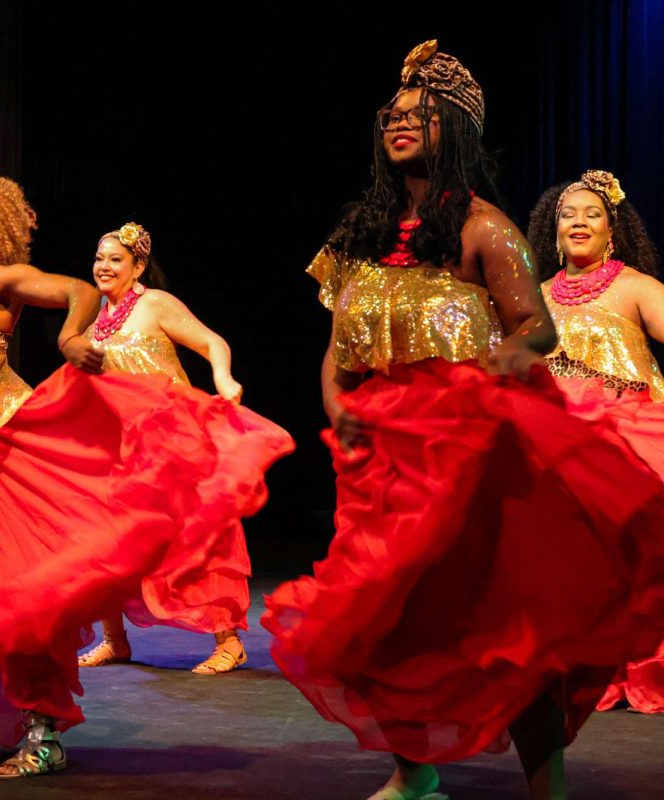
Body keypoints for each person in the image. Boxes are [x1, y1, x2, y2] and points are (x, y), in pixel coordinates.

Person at [259, 42, 664, 800]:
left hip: (472, 450)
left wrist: (506, 364)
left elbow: (536, 326)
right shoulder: (359, 234)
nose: (400, 124)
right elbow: (338, 347)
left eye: (420, 115)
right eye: (393, 115)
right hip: (384, 458)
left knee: (510, 628)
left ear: (456, 129)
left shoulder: (485, 227)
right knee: (391, 621)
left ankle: (549, 785)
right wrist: (338, 406)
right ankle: (413, 775)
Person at [0, 163, 288, 777]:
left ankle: (42, 733)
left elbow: (78, 293)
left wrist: (66, 339)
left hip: (0, 458)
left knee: (21, 598)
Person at [76, 222, 292, 675]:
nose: (104, 266)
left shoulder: (154, 303)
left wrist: (223, 378)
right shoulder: (94, 317)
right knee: (103, 539)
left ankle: (229, 641)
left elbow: (212, 341)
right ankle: (114, 640)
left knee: (199, 537)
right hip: (123, 442)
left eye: (116, 259)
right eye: (100, 258)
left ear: (137, 267)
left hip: (175, 436)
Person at [528, 170, 664, 715]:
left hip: (628, 436)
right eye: (568, 214)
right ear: (554, 232)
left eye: (591, 213)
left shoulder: (635, 286)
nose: (578, 221)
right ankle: (583, 667)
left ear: (612, 230)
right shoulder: (536, 298)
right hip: (556, 444)